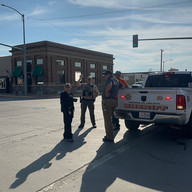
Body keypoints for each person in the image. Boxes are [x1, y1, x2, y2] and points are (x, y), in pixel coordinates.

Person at [102, 70, 123, 142]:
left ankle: (109, 137)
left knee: (107, 119)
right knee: (112, 118)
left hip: (107, 101)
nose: (104, 76)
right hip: (114, 101)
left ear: (108, 74)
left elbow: (109, 85)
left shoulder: (110, 80)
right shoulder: (116, 80)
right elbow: (121, 86)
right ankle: (110, 133)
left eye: (105, 75)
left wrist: (106, 91)